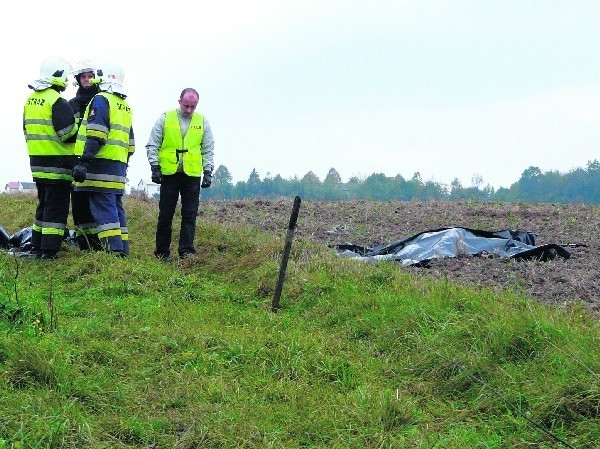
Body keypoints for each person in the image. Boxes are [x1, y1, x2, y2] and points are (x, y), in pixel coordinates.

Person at [71, 61, 135, 256]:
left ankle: (114, 252)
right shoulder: (124, 105)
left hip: (100, 168)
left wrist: (83, 162)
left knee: (104, 210)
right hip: (118, 168)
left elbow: (97, 134)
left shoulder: (101, 100)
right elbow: (131, 144)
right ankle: (123, 249)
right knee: (116, 209)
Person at [146, 87, 214, 260]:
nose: (189, 110)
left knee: (189, 215)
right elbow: (153, 143)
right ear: (179, 102)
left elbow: (208, 149)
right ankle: (162, 252)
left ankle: (186, 251)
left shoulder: (203, 122)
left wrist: (208, 171)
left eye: (193, 107)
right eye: (186, 106)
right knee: (165, 215)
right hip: (169, 173)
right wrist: (155, 166)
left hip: (191, 175)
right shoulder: (165, 118)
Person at [23, 56, 79, 260]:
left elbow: (26, 130)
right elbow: (67, 134)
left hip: (37, 164)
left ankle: (36, 246)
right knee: (56, 210)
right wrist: (79, 125)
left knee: (43, 207)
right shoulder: (57, 101)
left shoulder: (30, 100)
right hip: (58, 166)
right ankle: (49, 250)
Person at [68, 60, 101, 251]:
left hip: (98, 161)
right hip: (76, 161)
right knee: (79, 203)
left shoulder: (103, 101)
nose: (87, 80)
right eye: (83, 77)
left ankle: (98, 243)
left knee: (97, 203)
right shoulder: (72, 105)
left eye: (90, 76)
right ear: (78, 80)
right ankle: (85, 244)